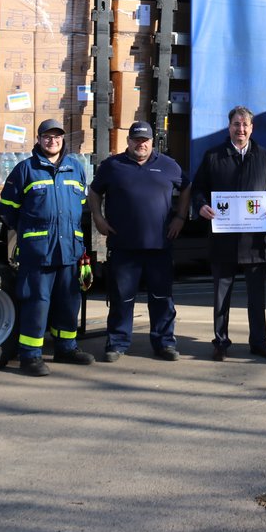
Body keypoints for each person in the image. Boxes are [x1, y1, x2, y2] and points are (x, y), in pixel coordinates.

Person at [88, 120, 190, 363]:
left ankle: (164, 343)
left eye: (145, 140)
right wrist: (98, 218)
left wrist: (180, 217)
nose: (140, 144)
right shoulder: (112, 166)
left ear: (152, 142)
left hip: (159, 246)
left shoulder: (168, 165)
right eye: (136, 140)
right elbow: (94, 192)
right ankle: (117, 342)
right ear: (128, 141)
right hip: (123, 245)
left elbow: (186, 188)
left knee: (162, 298)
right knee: (122, 298)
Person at [0, 117, 94, 376]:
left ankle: (66, 347)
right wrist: (29, 233)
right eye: (47, 137)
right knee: (36, 302)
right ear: (39, 140)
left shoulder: (76, 168)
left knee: (69, 300)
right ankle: (30, 356)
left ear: (63, 140)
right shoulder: (25, 170)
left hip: (70, 250)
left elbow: (81, 208)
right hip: (38, 251)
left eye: (57, 137)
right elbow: (8, 210)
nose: (52, 141)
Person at [191, 106, 266, 360]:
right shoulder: (213, 156)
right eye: (236, 124)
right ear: (229, 127)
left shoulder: (264, 157)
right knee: (222, 296)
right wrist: (201, 206)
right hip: (223, 239)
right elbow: (198, 189)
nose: (240, 129)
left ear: (252, 128)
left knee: (257, 297)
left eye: (245, 125)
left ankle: (258, 342)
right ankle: (220, 342)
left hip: (254, 241)